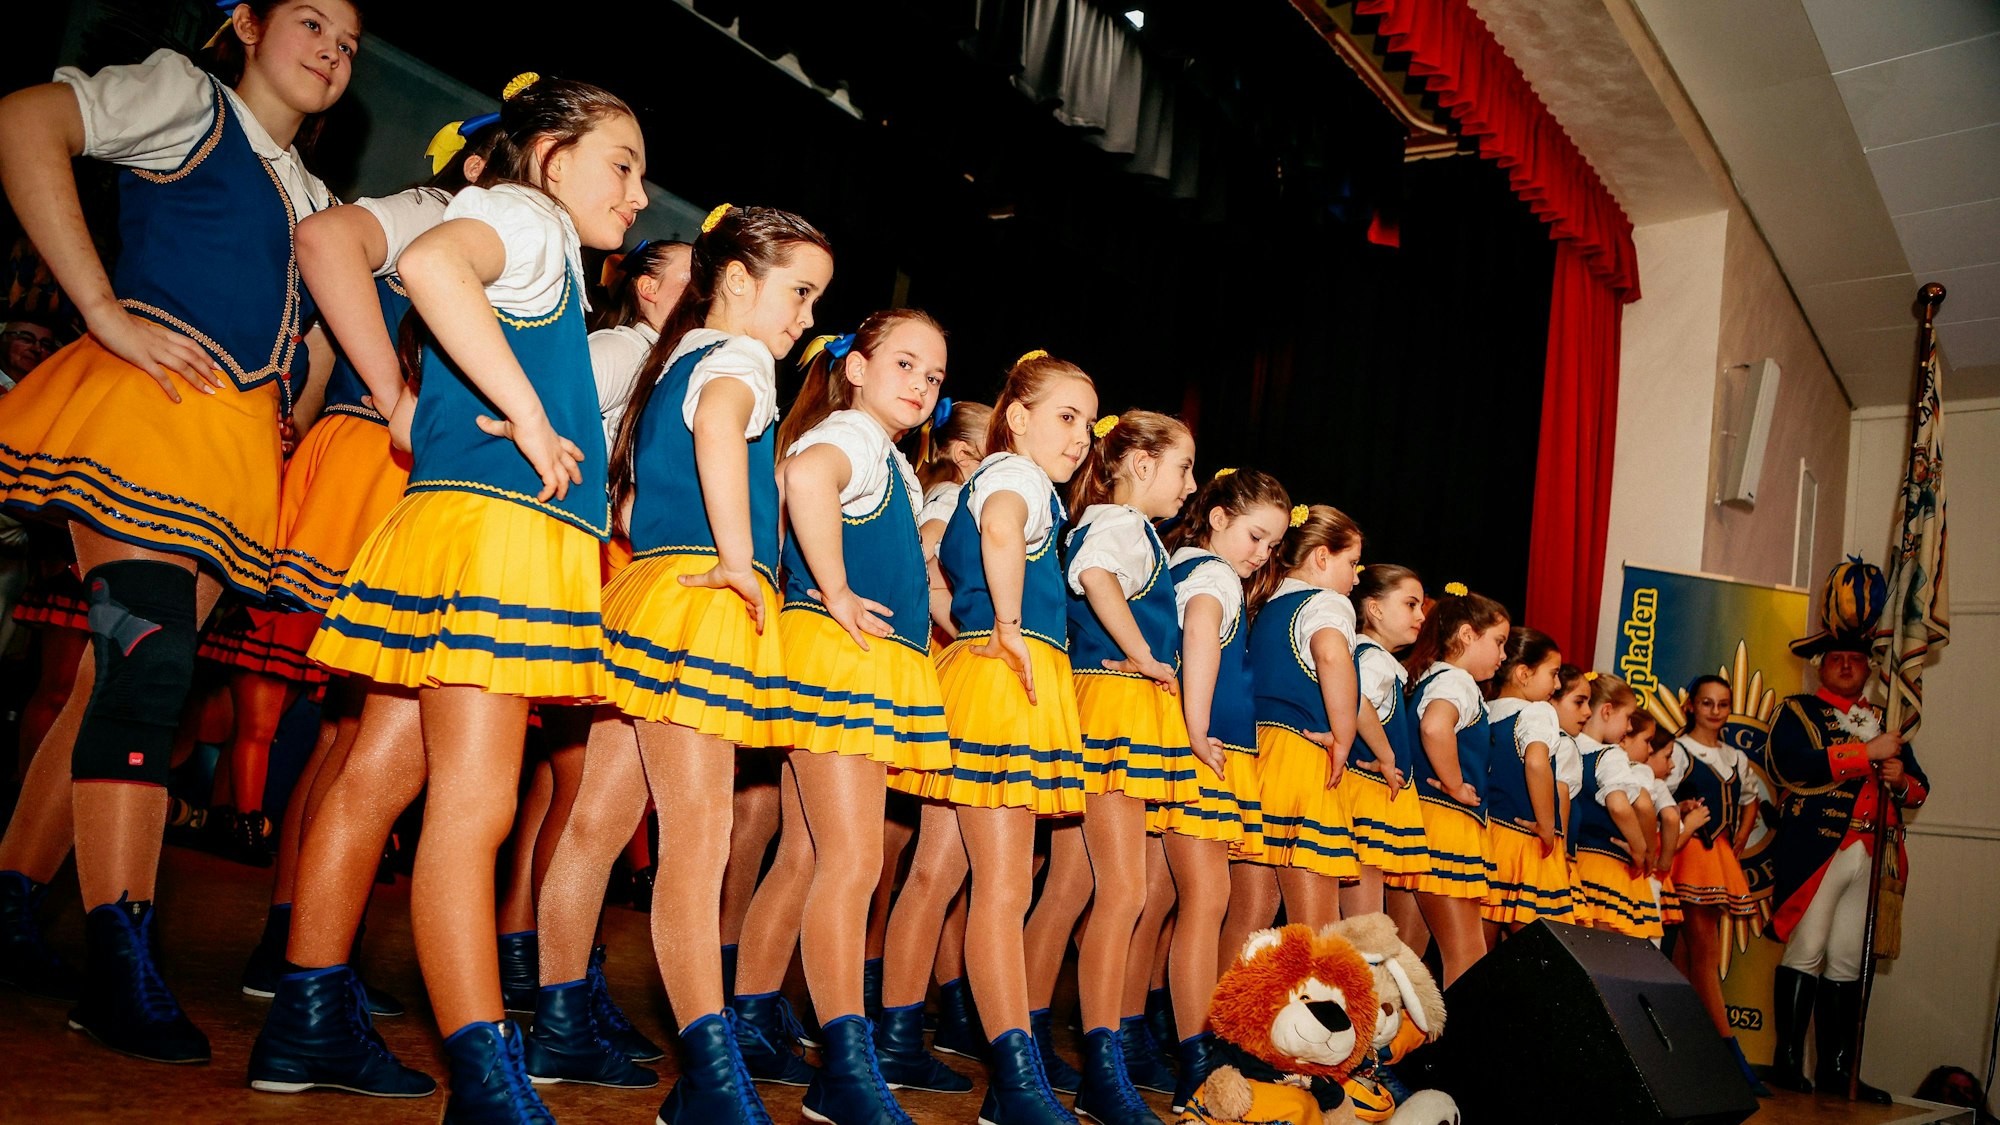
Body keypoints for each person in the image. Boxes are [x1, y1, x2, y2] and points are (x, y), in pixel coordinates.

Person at [0, 0, 356, 1063]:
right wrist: (100, 308)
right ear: (245, 25)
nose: (332, 52)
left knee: (128, 683)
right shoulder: (185, 96)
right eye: (309, 22)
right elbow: (26, 120)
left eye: (346, 43)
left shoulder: (314, 194)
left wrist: (300, 401)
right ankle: (122, 951)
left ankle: (17, 898)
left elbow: (323, 318)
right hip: (146, 416)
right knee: (147, 675)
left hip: (232, 450)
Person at [294, 72, 647, 1117]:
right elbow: (434, 263)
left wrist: (432, 405)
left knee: (380, 775)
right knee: (477, 805)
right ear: (550, 157)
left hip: (452, 526)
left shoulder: (541, 249)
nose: (635, 197)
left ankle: (306, 1015)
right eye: (622, 167)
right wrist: (533, 418)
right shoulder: (524, 217)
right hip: (496, 541)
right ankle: (484, 1071)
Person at [242, 110, 509, 1084]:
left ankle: (310, 952)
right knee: (345, 728)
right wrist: (387, 397)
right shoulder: (447, 211)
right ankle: (293, 947)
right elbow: (330, 263)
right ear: (483, 160)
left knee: (360, 733)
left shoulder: (509, 237)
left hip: (424, 484)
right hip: (390, 472)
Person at [594, 201, 832, 1123]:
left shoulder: (679, 355)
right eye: (799, 293)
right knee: (698, 840)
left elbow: (647, 485)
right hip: (701, 601)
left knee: (599, 822)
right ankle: (706, 1072)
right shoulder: (737, 360)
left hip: (649, 591)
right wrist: (740, 557)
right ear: (737, 279)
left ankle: (558, 1021)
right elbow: (721, 431)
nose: (805, 317)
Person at [735, 311, 951, 1124]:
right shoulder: (852, 435)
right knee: (853, 862)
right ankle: (844, 1066)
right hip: (840, 657)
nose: (922, 386)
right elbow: (803, 477)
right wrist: (831, 589)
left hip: (853, 659)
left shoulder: (888, 456)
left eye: (934, 376)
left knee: (805, 854)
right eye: (905, 363)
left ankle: (754, 1016)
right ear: (856, 367)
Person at [896, 350, 1097, 1125]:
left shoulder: (993, 478)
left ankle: (893, 1038)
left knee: (936, 874)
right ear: (1016, 418)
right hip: (1011, 681)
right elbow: (1005, 535)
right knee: (1005, 888)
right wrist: (1008, 627)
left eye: (1086, 422)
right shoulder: (1015, 480)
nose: (1079, 437)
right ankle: (1014, 1087)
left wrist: (973, 626)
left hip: (979, 674)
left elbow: (937, 570)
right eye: (1066, 416)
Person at [1055, 408, 1199, 1124]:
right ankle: (1099, 1066)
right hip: (1115, 705)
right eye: (1183, 467)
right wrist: (1143, 654)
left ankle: (1021, 1036)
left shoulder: (1127, 525)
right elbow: (1094, 572)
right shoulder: (1121, 525)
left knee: (1072, 889)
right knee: (1123, 892)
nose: (1190, 484)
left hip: (1105, 701)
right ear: (1140, 464)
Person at [1154, 467, 1289, 1113]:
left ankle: (1157, 1039)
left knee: (1162, 899)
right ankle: (1196, 1054)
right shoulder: (1210, 576)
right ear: (1216, 517)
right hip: (1204, 749)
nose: (1259, 554)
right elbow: (1202, 630)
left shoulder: (1179, 565)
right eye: (1255, 535)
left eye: (1270, 545)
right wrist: (1198, 724)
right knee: (1205, 899)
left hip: (1195, 743)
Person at [1765, 560, 1924, 1103]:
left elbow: (1920, 787)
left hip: (1871, 850)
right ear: (1821, 667)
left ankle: (1835, 1069)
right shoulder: (1797, 710)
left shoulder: (1885, 716)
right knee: (1807, 949)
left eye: (1858, 660)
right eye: (1839, 660)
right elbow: (1790, 764)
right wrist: (1865, 755)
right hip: (1819, 848)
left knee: (1847, 959)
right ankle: (1788, 1063)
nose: (1850, 668)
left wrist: (1899, 777)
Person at [1403, 584, 1509, 986]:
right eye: (1498, 642)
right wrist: (1456, 784)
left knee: (1405, 957)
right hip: (1448, 826)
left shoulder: (1428, 675)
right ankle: (1466, 1050)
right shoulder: (1459, 681)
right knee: (1467, 956)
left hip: (1420, 823)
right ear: (1467, 635)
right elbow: (1434, 726)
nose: (1502, 655)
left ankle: (1389, 1047)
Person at [1667, 673, 1768, 1096]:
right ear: (1691, 705)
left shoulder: (1735, 757)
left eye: (1722, 704)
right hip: (1687, 855)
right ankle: (1727, 1054)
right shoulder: (1677, 749)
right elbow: (1659, 795)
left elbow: (1750, 798)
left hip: (1717, 856)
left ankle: (1689, 1050)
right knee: (1696, 953)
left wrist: (1743, 834)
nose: (1714, 711)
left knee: (1692, 953)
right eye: (1707, 703)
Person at [1347, 564, 1431, 951]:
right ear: (1376, 609)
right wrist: (1385, 754)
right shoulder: (1374, 658)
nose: (1421, 616)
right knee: (1365, 929)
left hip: (1370, 796)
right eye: (1411, 604)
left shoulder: (1379, 659)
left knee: (1363, 924)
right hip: (1366, 797)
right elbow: (1356, 698)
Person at [1479, 627, 1575, 938]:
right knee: (1541, 954)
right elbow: (1535, 761)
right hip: (1526, 843)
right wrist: (1547, 825)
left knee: (1480, 954)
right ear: (1523, 673)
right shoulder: (1537, 712)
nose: (1557, 684)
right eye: (1554, 673)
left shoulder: (1485, 711)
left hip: (1487, 839)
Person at [0, 308, 59, 391]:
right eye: (26, 339)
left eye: (45, 345)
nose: (37, 349)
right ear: (3, 339)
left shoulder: (50, 393)